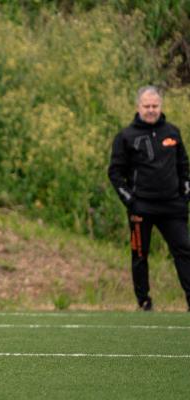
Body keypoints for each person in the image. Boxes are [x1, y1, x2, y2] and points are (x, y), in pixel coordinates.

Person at [108, 85, 190, 311]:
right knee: (140, 254)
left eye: (155, 106)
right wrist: (130, 201)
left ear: (161, 106)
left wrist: (185, 195)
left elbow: (184, 167)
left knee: (184, 250)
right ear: (138, 107)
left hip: (172, 206)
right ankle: (144, 301)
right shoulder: (125, 136)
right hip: (141, 207)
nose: (151, 110)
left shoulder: (172, 133)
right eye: (147, 106)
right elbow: (115, 173)